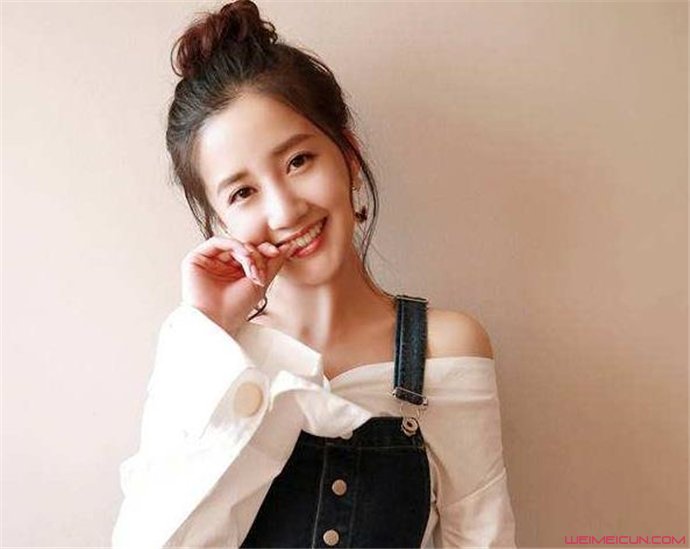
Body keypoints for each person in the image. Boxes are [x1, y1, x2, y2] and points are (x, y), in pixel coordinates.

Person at [111, 1, 517, 547]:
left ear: (347, 154)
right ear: (220, 221)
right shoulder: (210, 356)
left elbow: (482, 537)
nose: (284, 211)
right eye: (243, 192)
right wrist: (206, 330)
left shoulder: (445, 349)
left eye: (298, 161)